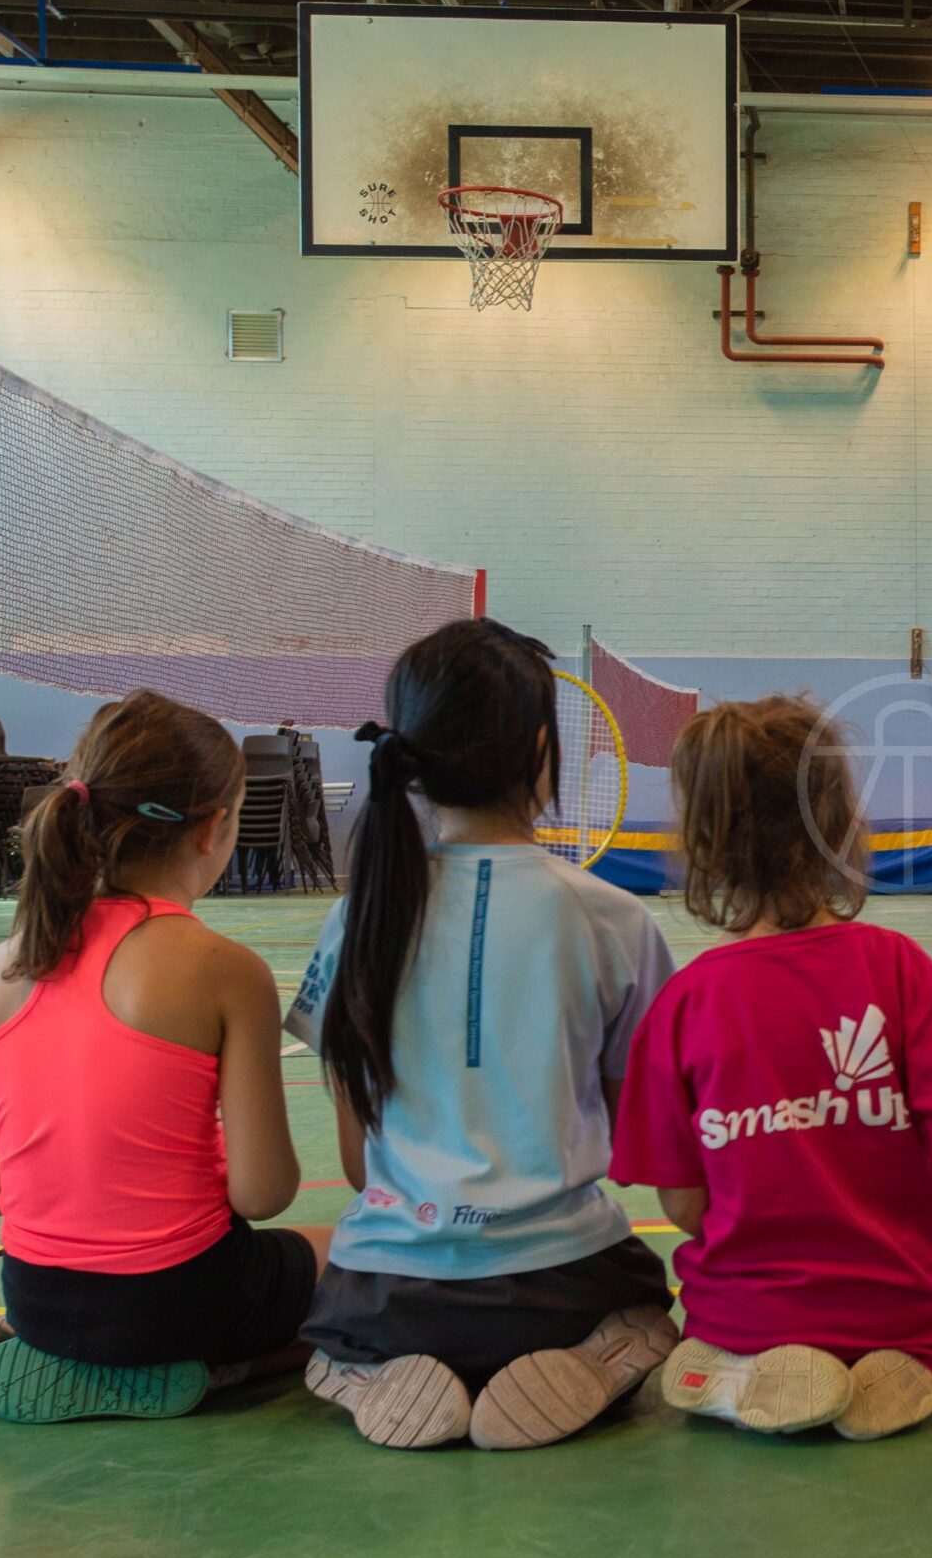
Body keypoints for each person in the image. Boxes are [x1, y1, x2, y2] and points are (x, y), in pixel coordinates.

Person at [285, 619, 678, 1452]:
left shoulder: (357, 916)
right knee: (647, 1299)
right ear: (543, 749)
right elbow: (638, 1135)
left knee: (325, 1313)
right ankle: (594, 1362)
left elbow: (359, 1161)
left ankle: (359, 1371)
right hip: (558, 1285)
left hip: (386, 1293)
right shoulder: (611, 917)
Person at [0, 691, 323, 1424]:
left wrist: (81, 1182)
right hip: (183, 1298)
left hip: (38, 1301)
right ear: (215, 827)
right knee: (354, 1262)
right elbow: (262, 1193)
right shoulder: (225, 968)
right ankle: (211, 1370)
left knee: (132, 1309)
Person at [611, 696, 932, 1441]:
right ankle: (884, 1368)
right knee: (929, 1333)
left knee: (698, 1337)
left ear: (703, 844)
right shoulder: (901, 969)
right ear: (840, 829)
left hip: (744, 1310)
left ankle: (739, 1371)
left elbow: (684, 1207)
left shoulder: (682, 1003)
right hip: (903, 1308)